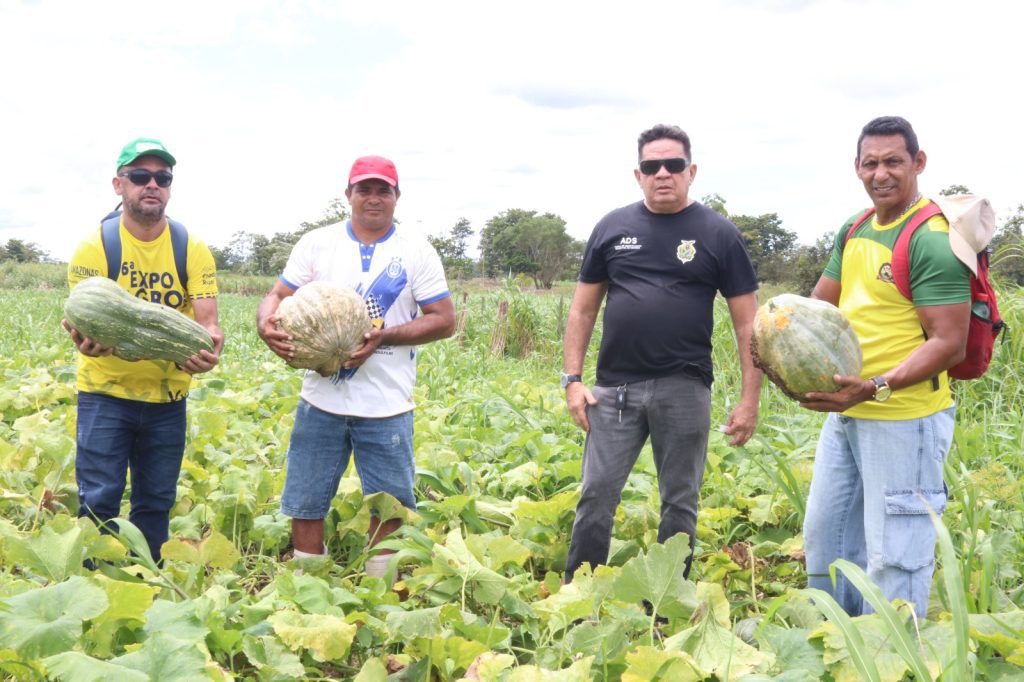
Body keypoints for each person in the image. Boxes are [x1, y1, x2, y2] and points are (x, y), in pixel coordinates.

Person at [562, 124, 762, 583]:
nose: (663, 173)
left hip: (685, 388)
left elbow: (748, 323)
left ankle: (668, 595)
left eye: (673, 165)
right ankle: (580, 591)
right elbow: (581, 310)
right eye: (652, 166)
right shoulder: (612, 228)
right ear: (639, 175)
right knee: (596, 492)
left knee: (680, 499)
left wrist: (750, 400)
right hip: (614, 389)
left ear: (691, 171)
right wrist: (573, 380)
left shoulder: (719, 234)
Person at [801, 116, 971, 618]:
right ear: (857, 167)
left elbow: (949, 343)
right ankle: (837, 641)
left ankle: (894, 659)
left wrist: (874, 385)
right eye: (870, 163)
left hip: (904, 419)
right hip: (849, 413)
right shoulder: (854, 229)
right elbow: (818, 309)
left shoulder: (930, 239)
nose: (882, 173)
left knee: (896, 555)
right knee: (826, 537)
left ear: (917, 163)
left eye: (893, 161)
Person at [257, 155, 454, 578]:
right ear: (348, 194)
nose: (373, 197)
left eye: (383, 189)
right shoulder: (316, 244)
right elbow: (276, 296)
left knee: (390, 504)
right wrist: (264, 322)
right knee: (305, 498)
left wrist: (384, 336)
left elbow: (444, 320)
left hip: (386, 403)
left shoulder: (417, 251)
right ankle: (309, 584)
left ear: (397, 197)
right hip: (320, 399)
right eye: (364, 189)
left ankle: (379, 588)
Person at [64, 137, 223, 563]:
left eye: (162, 177)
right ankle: (95, 581)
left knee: (156, 502)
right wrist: (85, 340)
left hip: (167, 398)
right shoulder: (94, 247)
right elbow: (82, 317)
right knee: (98, 500)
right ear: (119, 184)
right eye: (139, 176)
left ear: (169, 186)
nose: (151, 184)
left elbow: (208, 325)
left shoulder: (191, 247)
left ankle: (148, 576)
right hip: (105, 394)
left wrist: (208, 349)